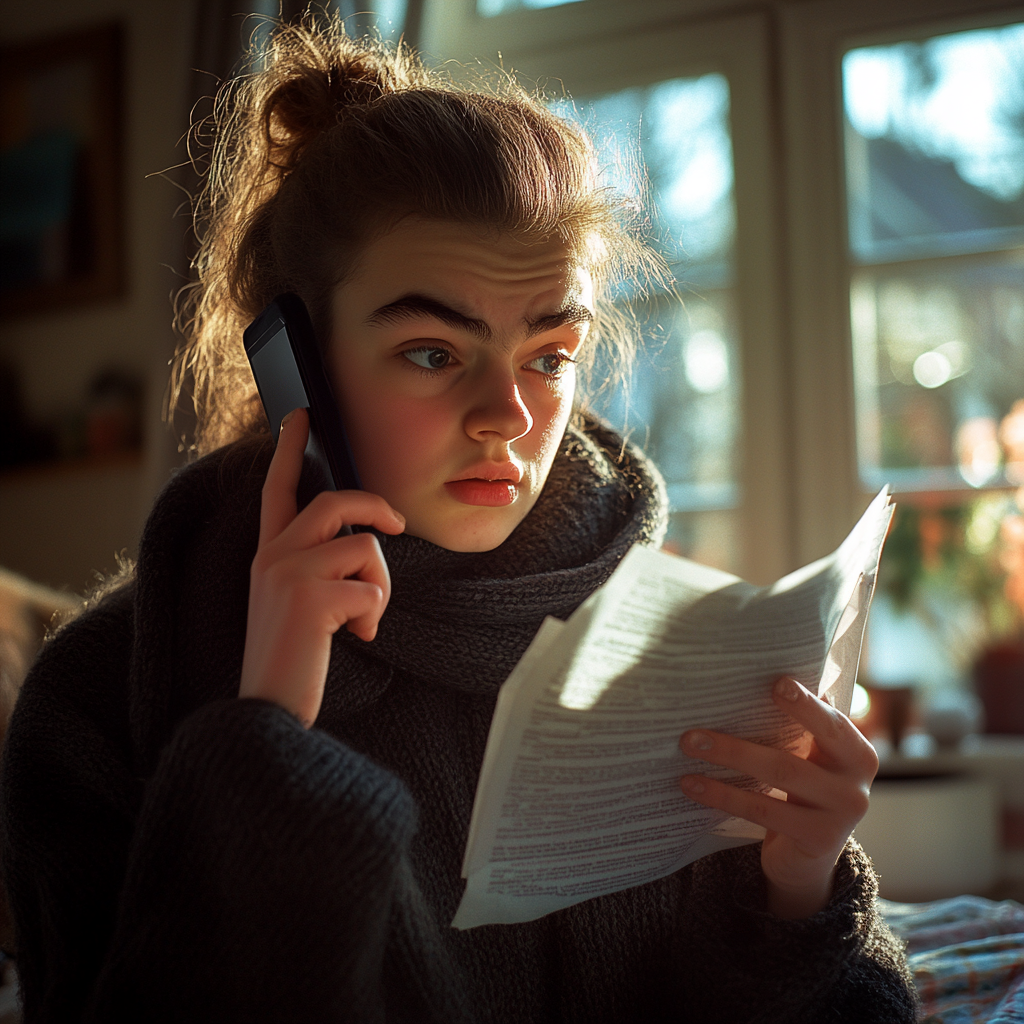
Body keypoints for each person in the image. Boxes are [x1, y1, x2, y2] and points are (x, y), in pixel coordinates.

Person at [0, 14, 916, 1023]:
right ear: (292, 367)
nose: (508, 418)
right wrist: (259, 740)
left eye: (548, 355)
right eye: (433, 350)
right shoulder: (94, 699)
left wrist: (797, 890)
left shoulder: (669, 658)